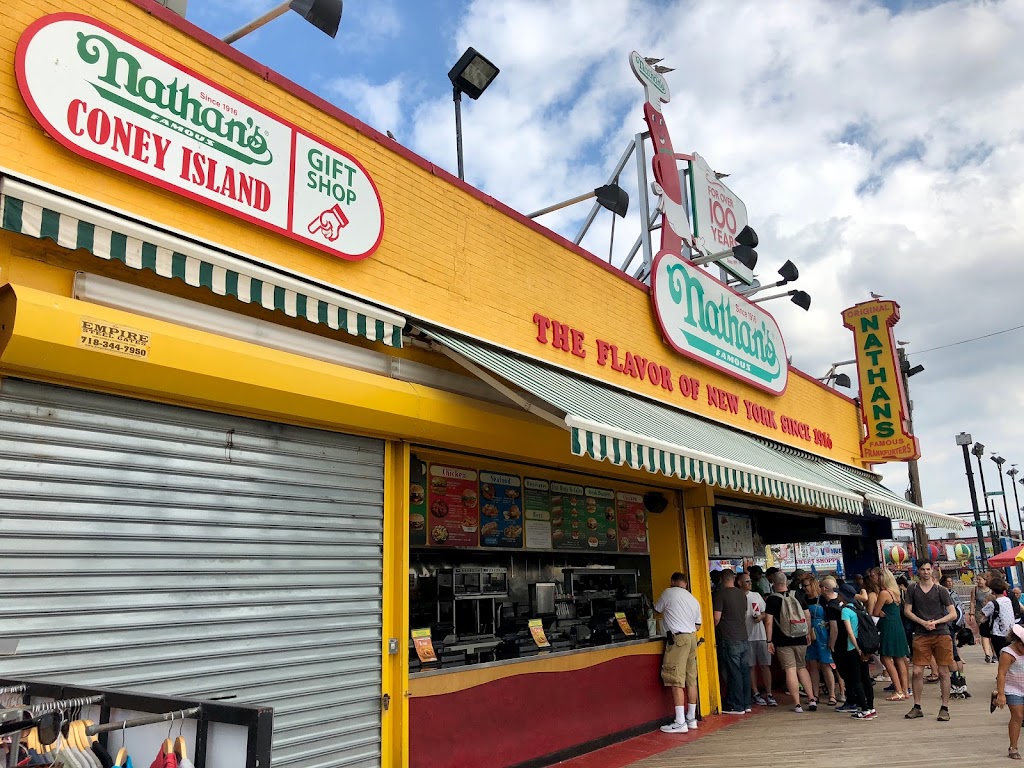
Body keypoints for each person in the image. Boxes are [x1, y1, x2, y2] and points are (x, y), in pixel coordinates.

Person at [903, 560, 957, 721]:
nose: (925, 572)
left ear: (932, 571)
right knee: (918, 671)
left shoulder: (940, 590)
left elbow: (952, 613)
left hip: (941, 633)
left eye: (928, 569)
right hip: (920, 633)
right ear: (917, 571)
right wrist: (922, 622)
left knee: (943, 671)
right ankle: (917, 705)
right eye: (922, 569)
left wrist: (936, 622)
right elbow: (907, 611)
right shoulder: (912, 589)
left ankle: (944, 707)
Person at [654, 572, 702, 734]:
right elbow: (698, 625)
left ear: (672, 581)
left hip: (678, 639)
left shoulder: (668, 592)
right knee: (691, 679)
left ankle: (680, 721)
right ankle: (691, 718)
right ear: (686, 584)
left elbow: (656, 609)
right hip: (692, 638)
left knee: (675, 679)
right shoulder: (693, 599)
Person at [764, 571, 818, 713]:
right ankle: (812, 699)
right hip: (800, 636)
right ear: (786, 582)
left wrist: (769, 640)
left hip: (782, 640)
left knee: (790, 669)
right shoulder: (798, 595)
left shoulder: (772, 599)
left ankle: (797, 704)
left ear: (774, 584)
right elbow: (807, 614)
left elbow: (768, 622)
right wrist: (807, 632)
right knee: (802, 667)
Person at [713, 569, 752, 715]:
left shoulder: (720, 594)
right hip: (743, 636)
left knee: (732, 672)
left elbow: (716, 617)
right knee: (744, 671)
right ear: (734, 578)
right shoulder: (742, 594)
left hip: (728, 637)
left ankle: (736, 705)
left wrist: (712, 629)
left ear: (722, 579)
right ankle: (747, 703)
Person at [836, 583, 876, 719]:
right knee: (866, 678)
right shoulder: (859, 607)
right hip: (865, 647)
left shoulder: (845, 610)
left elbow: (849, 632)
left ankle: (863, 709)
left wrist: (857, 648)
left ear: (843, 595)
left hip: (853, 648)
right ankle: (870, 707)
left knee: (856, 679)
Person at [872, 567, 911, 701]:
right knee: (900, 658)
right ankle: (905, 689)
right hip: (898, 626)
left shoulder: (883, 593)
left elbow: (875, 612)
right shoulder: (896, 592)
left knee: (886, 658)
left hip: (888, 626)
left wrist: (881, 612)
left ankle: (898, 689)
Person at [740, 572, 776, 706]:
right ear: (740, 583)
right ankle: (755, 692)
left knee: (765, 665)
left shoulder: (756, 595)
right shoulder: (738, 597)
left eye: (750, 581)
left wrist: (760, 617)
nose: (750, 584)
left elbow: (765, 612)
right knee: (751, 666)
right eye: (747, 581)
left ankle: (769, 692)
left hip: (760, 635)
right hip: (746, 636)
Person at [804, 578, 837, 706]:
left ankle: (832, 694)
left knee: (826, 664)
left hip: (823, 632)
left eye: (806, 585)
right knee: (812, 664)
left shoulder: (822, 599)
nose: (804, 588)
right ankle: (815, 693)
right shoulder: (804, 599)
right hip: (810, 632)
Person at [994, 623, 1024, 760]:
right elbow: (1001, 674)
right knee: (1017, 715)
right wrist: (1001, 694)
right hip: (1013, 687)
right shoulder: (1008, 653)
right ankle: (1013, 747)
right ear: (1017, 642)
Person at [940, 574, 972, 698]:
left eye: (950, 581)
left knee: (951, 657)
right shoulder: (954, 594)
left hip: (947, 627)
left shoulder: (945, 594)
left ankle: (955, 685)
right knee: (956, 656)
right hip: (955, 626)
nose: (950, 583)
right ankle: (962, 683)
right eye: (948, 581)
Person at [984, 578, 1017, 658]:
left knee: (1002, 657)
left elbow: (983, 613)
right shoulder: (1008, 600)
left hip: (998, 634)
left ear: (993, 590)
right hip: (1010, 633)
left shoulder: (993, 603)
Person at [973, 572, 996, 663]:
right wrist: (971, 613)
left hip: (991, 613)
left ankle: (994, 653)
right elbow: (972, 602)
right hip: (979, 613)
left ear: (985, 580)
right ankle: (987, 654)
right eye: (977, 579)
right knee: (984, 633)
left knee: (992, 634)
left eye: (979, 579)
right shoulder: (975, 590)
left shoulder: (991, 590)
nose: (978, 581)